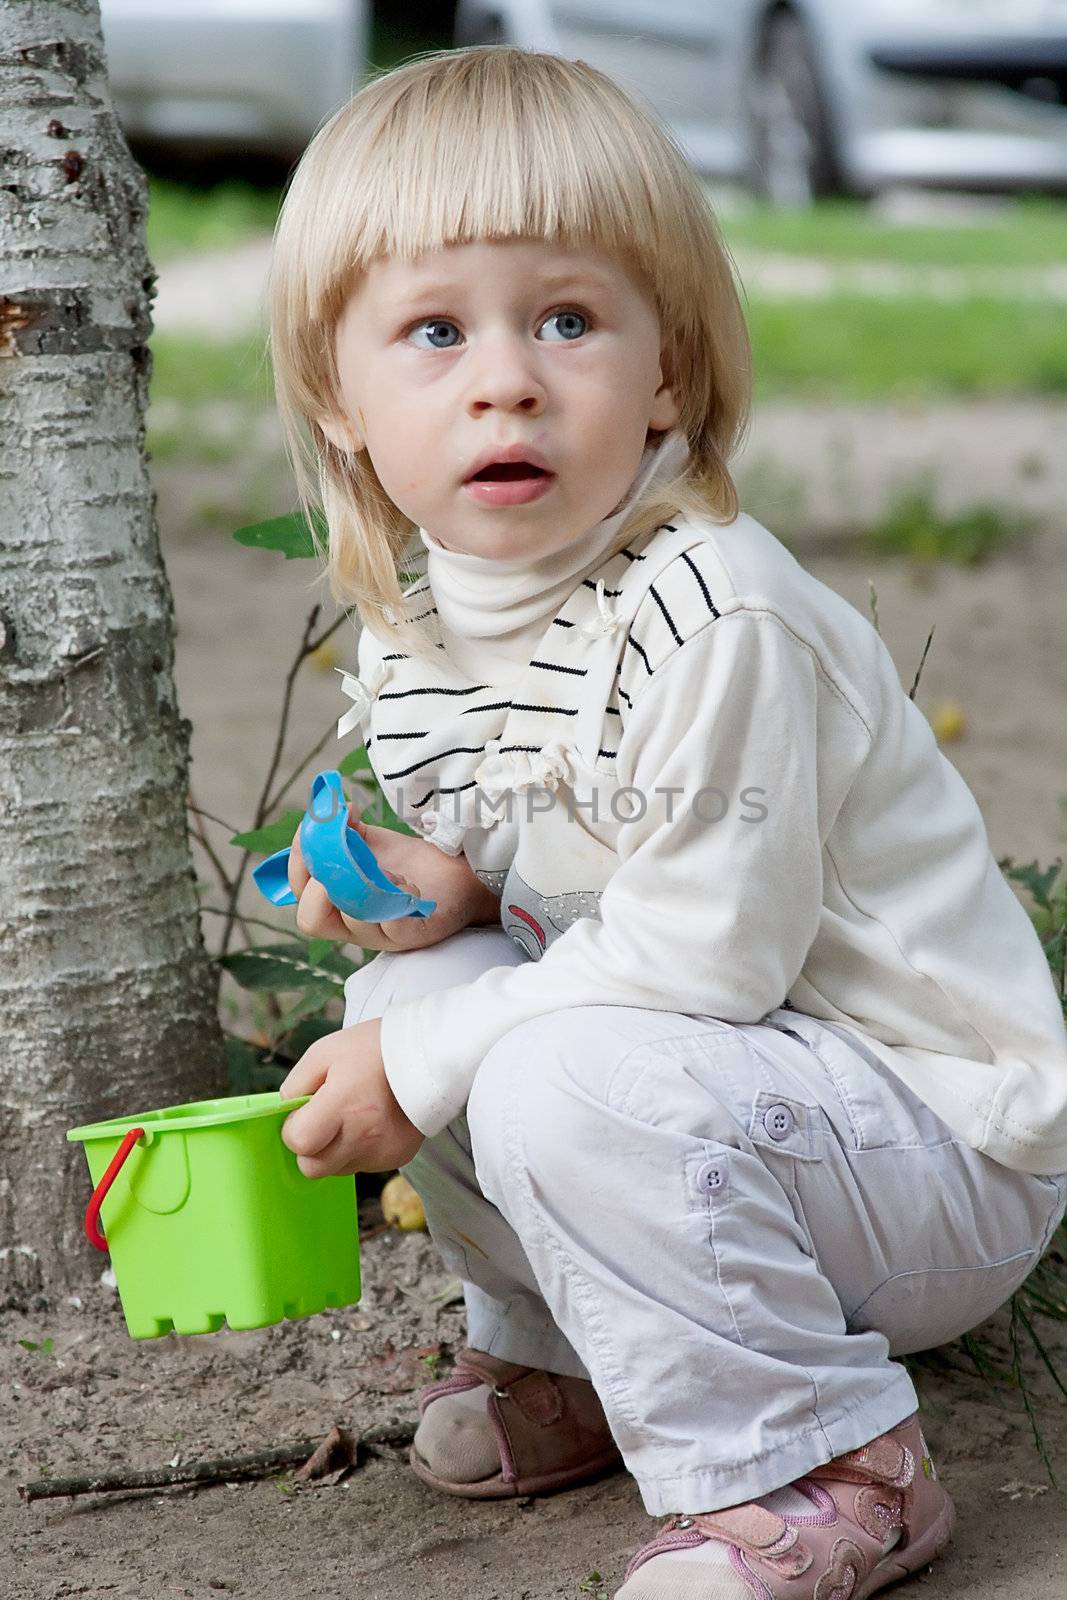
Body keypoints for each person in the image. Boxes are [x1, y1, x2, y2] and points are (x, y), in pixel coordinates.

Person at [267, 45, 1067, 1599]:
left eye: (568, 321)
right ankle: (578, 1362)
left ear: (671, 372)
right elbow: (555, 870)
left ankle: (827, 1460)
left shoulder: (719, 611)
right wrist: (444, 888)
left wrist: (421, 1065)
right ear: (342, 402)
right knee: (410, 994)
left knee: (520, 1059)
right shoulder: (428, 626)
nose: (507, 378)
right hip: (728, 1106)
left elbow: (705, 953)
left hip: (928, 1146)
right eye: (434, 332)